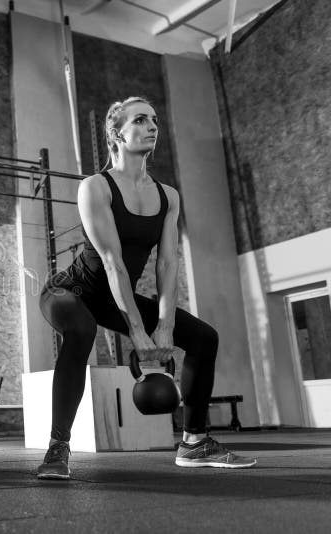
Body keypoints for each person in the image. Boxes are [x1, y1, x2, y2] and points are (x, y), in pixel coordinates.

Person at [36, 97, 256, 480]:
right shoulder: (96, 187)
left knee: (204, 338)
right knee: (82, 329)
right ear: (117, 134)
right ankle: (58, 448)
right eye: (141, 119)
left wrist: (166, 324)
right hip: (70, 291)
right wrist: (139, 333)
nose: (153, 125)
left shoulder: (168, 196)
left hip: (109, 299)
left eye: (154, 119)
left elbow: (168, 263)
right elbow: (112, 262)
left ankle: (194, 441)